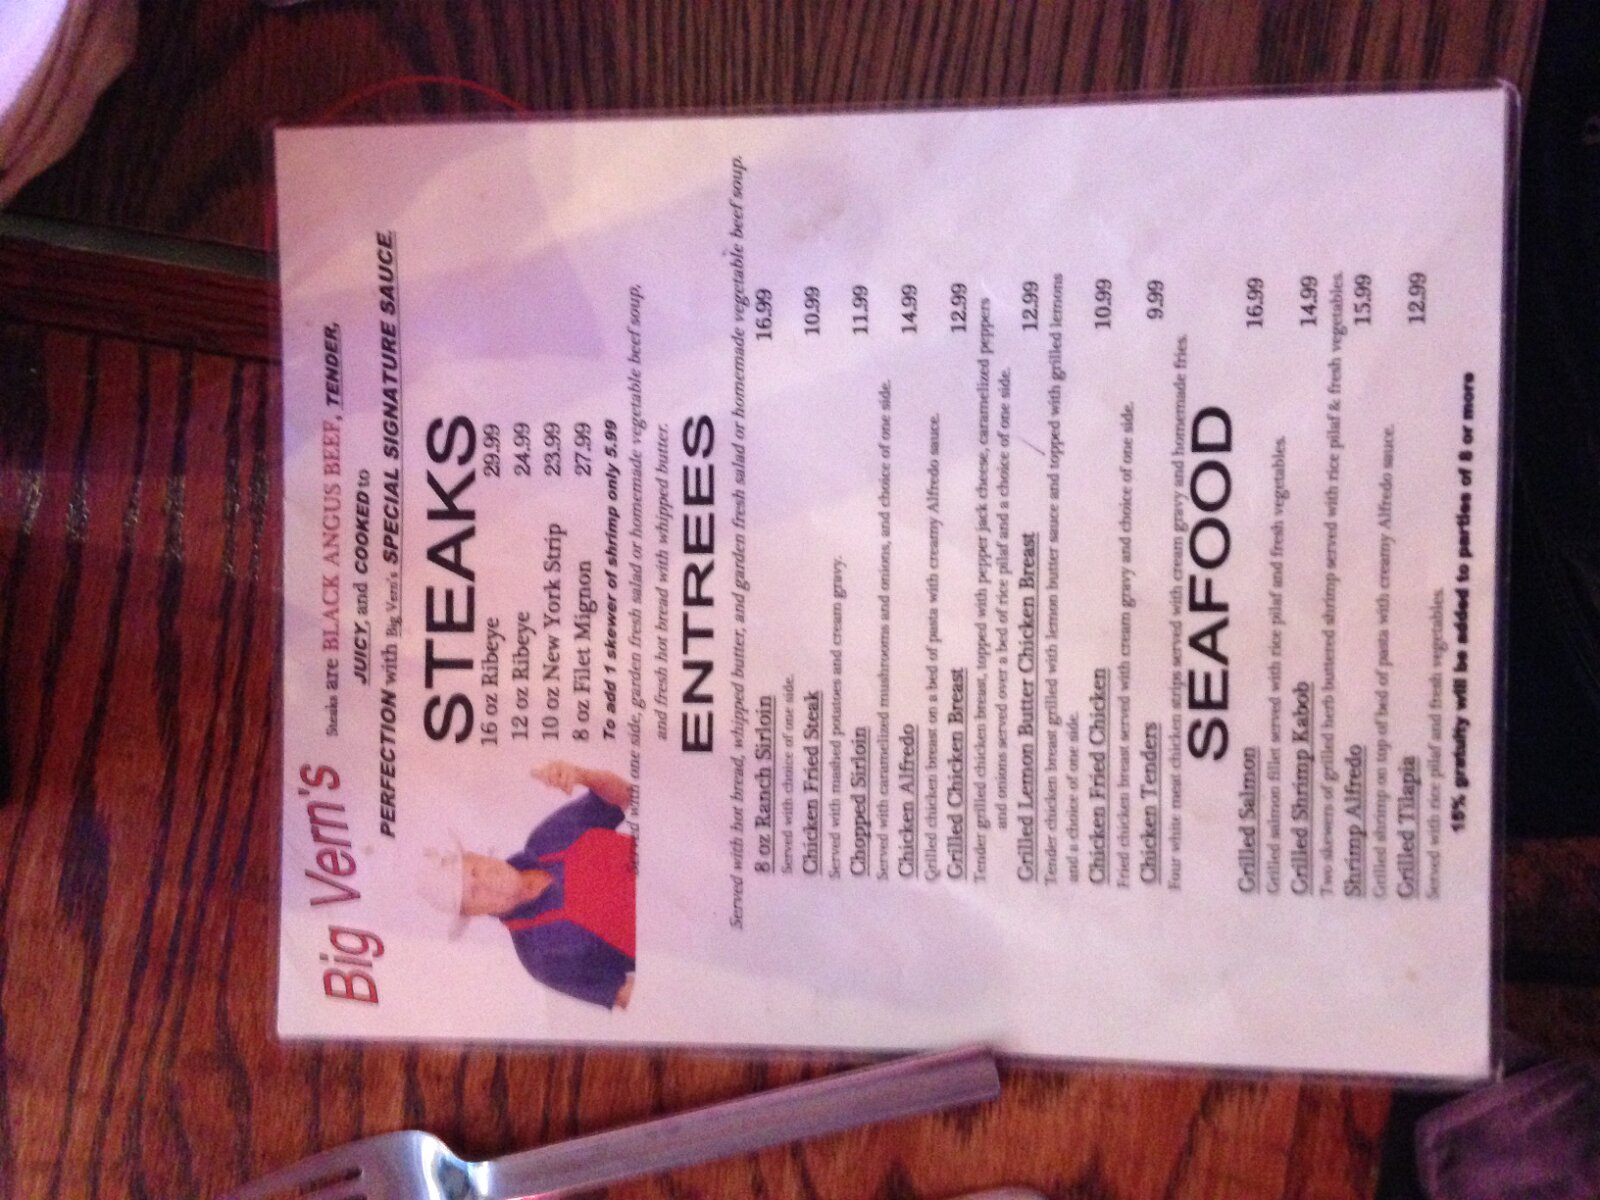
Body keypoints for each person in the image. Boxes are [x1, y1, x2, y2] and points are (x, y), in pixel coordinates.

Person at [424, 760, 636, 1010]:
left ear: (479, 856)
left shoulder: (548, 837)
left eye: (475, 870)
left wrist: (582, 775)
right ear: (474, 913)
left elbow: (624, 796)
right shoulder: (540, 958)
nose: (486, 880)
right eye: (474, 893)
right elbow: (625, 993)